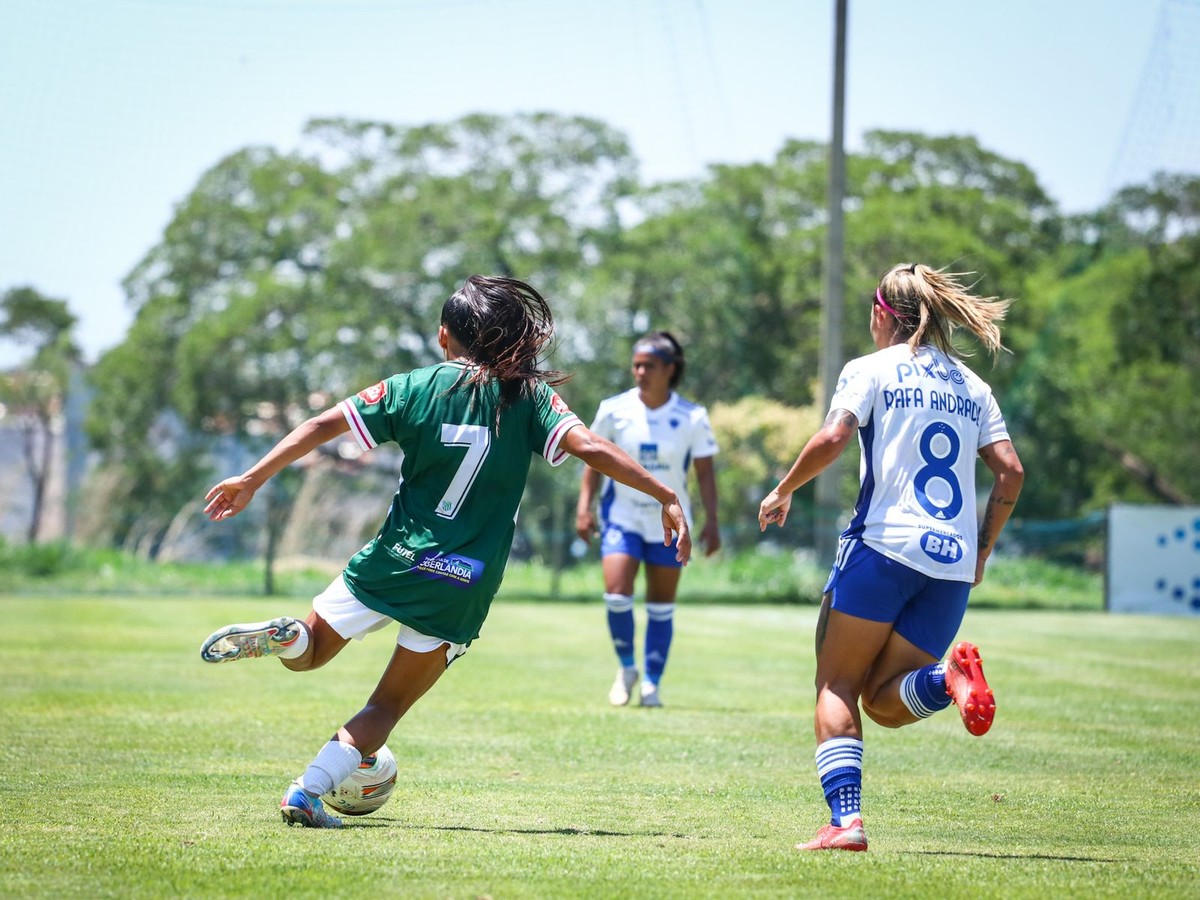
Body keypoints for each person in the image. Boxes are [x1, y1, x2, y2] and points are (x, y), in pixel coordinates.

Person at [199, 275, 691, 829]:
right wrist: (664, 492)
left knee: (311, 652)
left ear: (443, 337)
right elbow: (591, 447)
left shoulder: (413, 386)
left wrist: (252, 477)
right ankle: (306, 793)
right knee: (385, 706)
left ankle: (292, 634)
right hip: (460, 581)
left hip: (394, 558)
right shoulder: (527, 396)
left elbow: (320, 424)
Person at [758, 263, 1024, 852]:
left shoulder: (870, 369)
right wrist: (981, 550)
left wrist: (784, 489)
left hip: (882, 548)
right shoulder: (974, 389)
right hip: (949, 569)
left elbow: (832, 437)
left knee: (837, 684)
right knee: (884, 700)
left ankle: (846, 823)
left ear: (882, 314)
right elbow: (1011, 471)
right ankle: (948, 678)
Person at [575, 331, 720, 709]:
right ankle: (627, 668)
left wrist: (712, 522)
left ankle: (652, 682)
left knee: (661, 606)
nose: (639, 372)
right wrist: (584, 506)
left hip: (670, 524)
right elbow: (592, 459)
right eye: (636, 364)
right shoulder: (613, 409)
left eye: (649, 366)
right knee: (617, 595)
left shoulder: (692, 416)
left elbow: (705, 474)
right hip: (622, 517)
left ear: (670, 370)